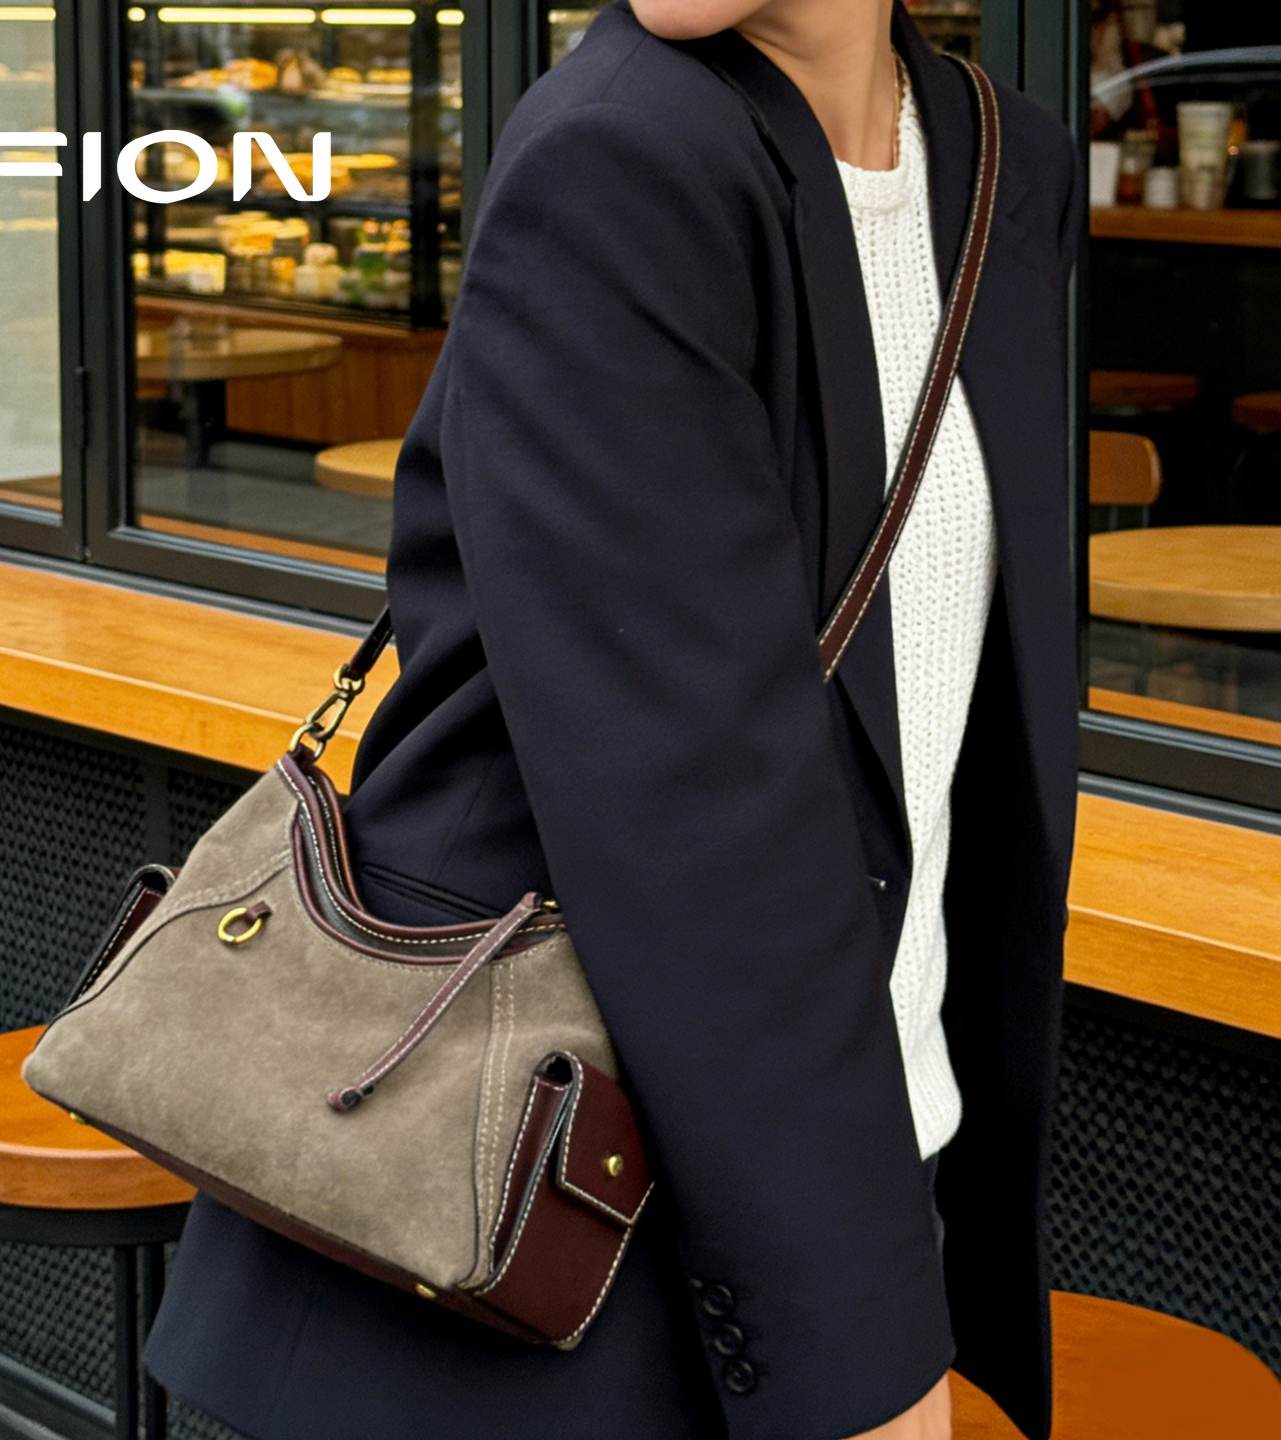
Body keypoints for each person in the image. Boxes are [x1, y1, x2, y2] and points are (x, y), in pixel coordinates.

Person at [144, 2, 1084, 1437]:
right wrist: (866, 1357)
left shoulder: (1003, 163)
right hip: (528, 1221)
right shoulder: (622, 155)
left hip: (857, 1152)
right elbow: (706, 820)